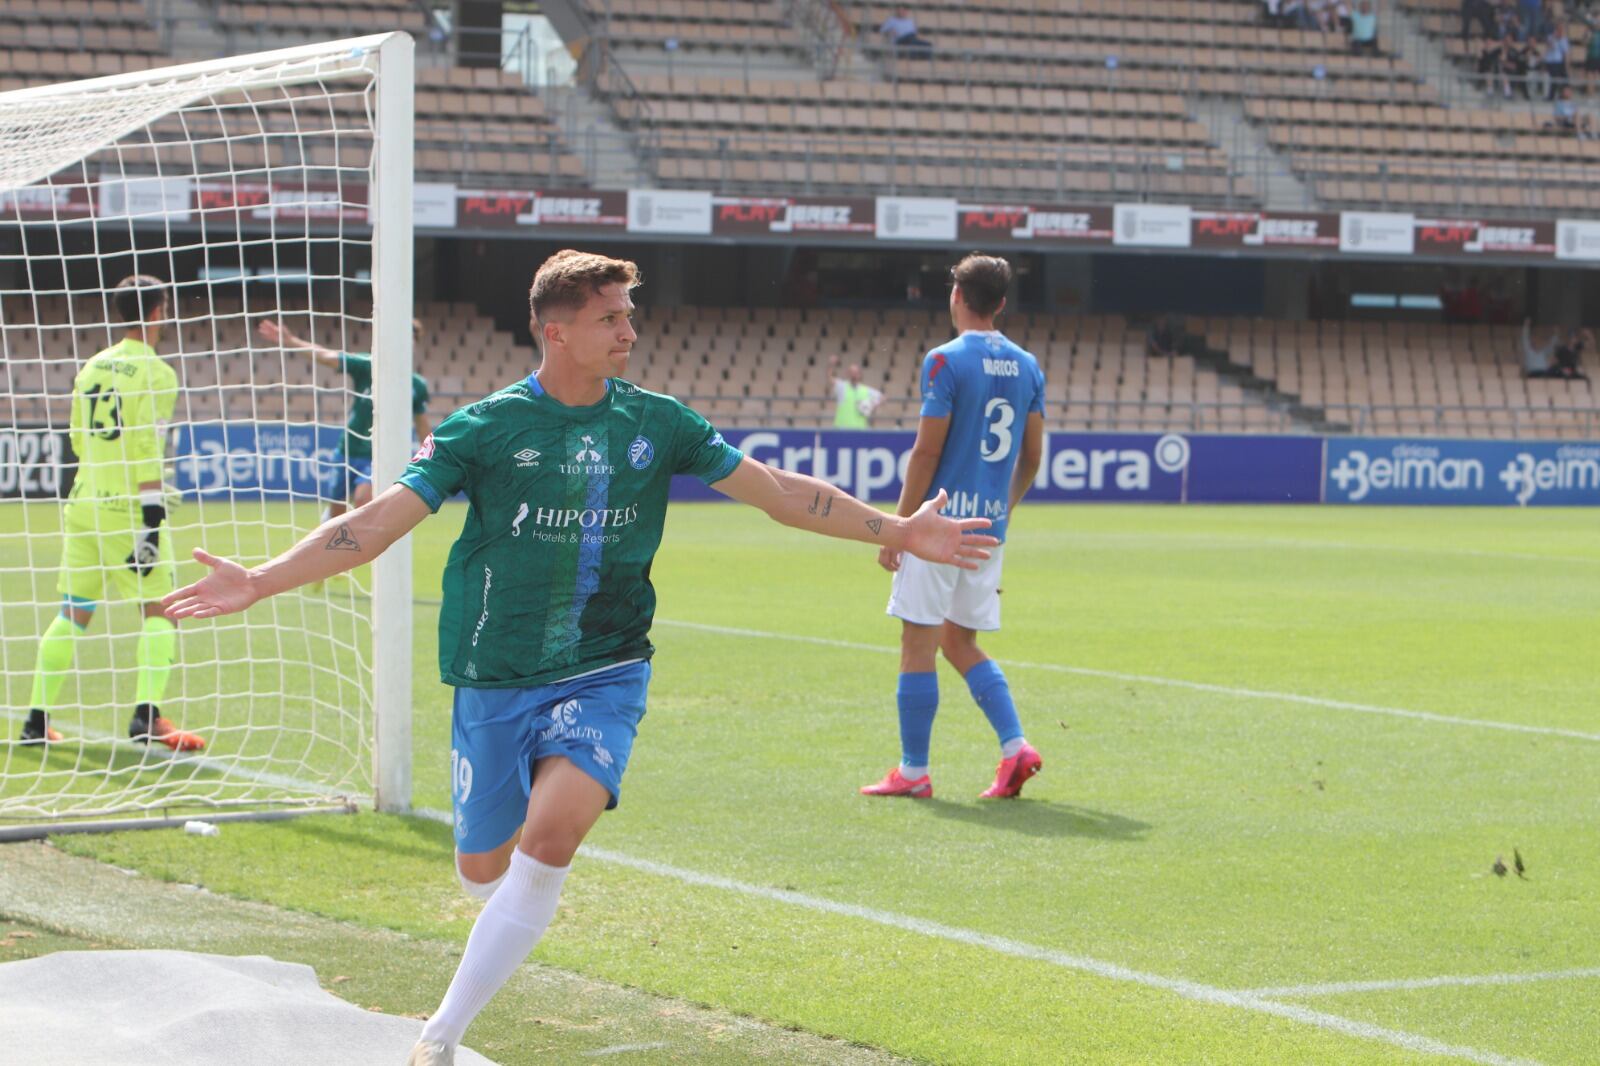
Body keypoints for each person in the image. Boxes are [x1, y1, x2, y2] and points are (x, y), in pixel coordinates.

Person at [162, 249, 997, 1066]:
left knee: (553, 837)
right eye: (609, 317)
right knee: (482, 871)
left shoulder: (657, 420)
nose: (628, 329)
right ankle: (504, 884)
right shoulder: (484, 428)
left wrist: (898, 529)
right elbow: (377, 522)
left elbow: (777, 492)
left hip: (607, 667)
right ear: (556, 331)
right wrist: (263, 579)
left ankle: (438, 1036)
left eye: (628, 314)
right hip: (495, 675)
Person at [860, 253, 1046, 802]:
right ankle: (1016, 748)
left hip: (939, 524)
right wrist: (1002, 511)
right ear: (1002, 304)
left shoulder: (945, 360)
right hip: (988, 526)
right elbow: (1032, 457)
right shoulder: (1029, 365)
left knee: (918, 641)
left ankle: (913, 771)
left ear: (957, 297)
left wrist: (899, 524)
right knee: (959, 639)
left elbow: (926, 449)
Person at [19, 275, 204, 751]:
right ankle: (147, 717)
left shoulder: (93, 365)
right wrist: (150, 520)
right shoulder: (157, 372)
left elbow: (77, 439)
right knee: (161, 609)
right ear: (159, 312)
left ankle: (35, 720)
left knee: (73, 612)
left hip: (83, 501)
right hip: (126, 507)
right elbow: (147, 446)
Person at [257, 317, 432, 523]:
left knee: (363, 499)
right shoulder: (368, 367)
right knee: (336, 515)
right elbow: (327, 356)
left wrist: (429, 458)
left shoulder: (416, 386)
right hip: (348, 448)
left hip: (379, 454)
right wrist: (290, 341)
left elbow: (421, 423)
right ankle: (331, 525)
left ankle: (365, 551)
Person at [826, 355, 885, 428]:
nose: (853, 374)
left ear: (860, 375)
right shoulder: (841, 387)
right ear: (847, 374)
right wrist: (831, 365)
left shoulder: (866, 390)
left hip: (859, 430)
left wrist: (870, 405)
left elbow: (882, 398)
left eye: (855, 372)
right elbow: (830, 378)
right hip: (841, 429)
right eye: (851, 372)